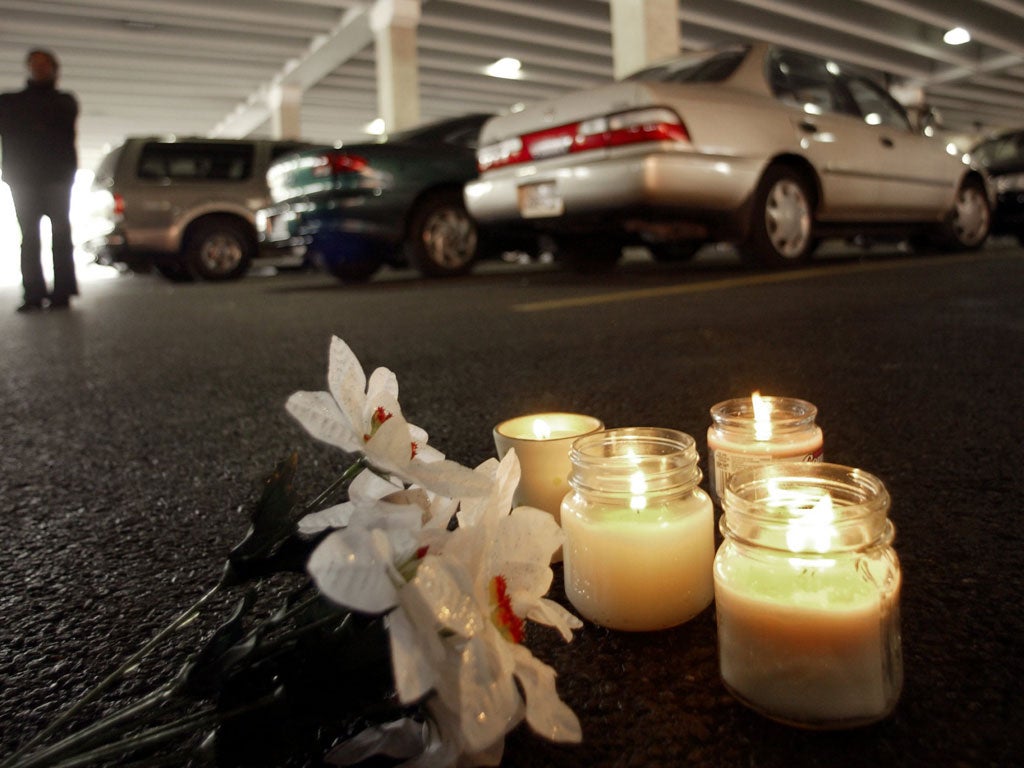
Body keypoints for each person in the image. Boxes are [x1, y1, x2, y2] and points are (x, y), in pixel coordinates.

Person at [0, 48, 79, 312]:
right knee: (30, 237)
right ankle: (33, 293)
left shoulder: (64, 101)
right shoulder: (10, 102)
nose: (40, 69)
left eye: (44, 64)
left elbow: (56, 125)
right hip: (25, 177)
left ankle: (61, 292)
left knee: (60, 233)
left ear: (54, 68)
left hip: (55, 176)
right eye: (35, 64)